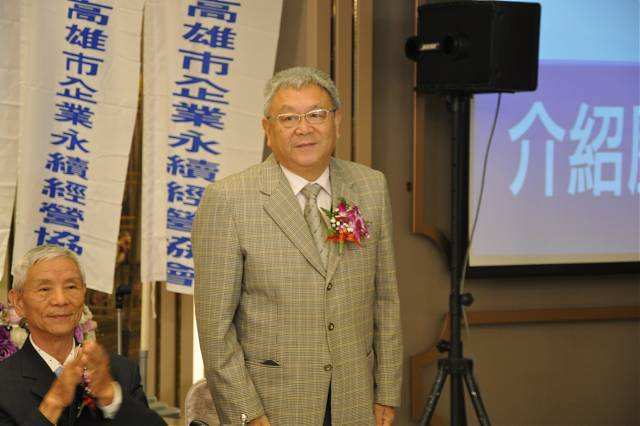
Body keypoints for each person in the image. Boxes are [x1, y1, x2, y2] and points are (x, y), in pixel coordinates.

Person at [192, 66, 402, 425]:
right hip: (271, 406)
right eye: (289, 118)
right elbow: (215, 328)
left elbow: (385, 298)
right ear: (267, 129)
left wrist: (387, 391)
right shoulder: (229, 199)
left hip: (356, 400)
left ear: (337, 122)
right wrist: (246, 413)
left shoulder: (369, 187)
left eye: (316, 114)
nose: (304, 128)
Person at [0, 245, 166, 425]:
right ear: (18, 302)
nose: (61, 300)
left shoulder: (121, 372)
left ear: (84, 292)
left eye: (71, 287)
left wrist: (110, 396)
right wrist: (54, 402)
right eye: (44, 289)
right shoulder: (4, 382)